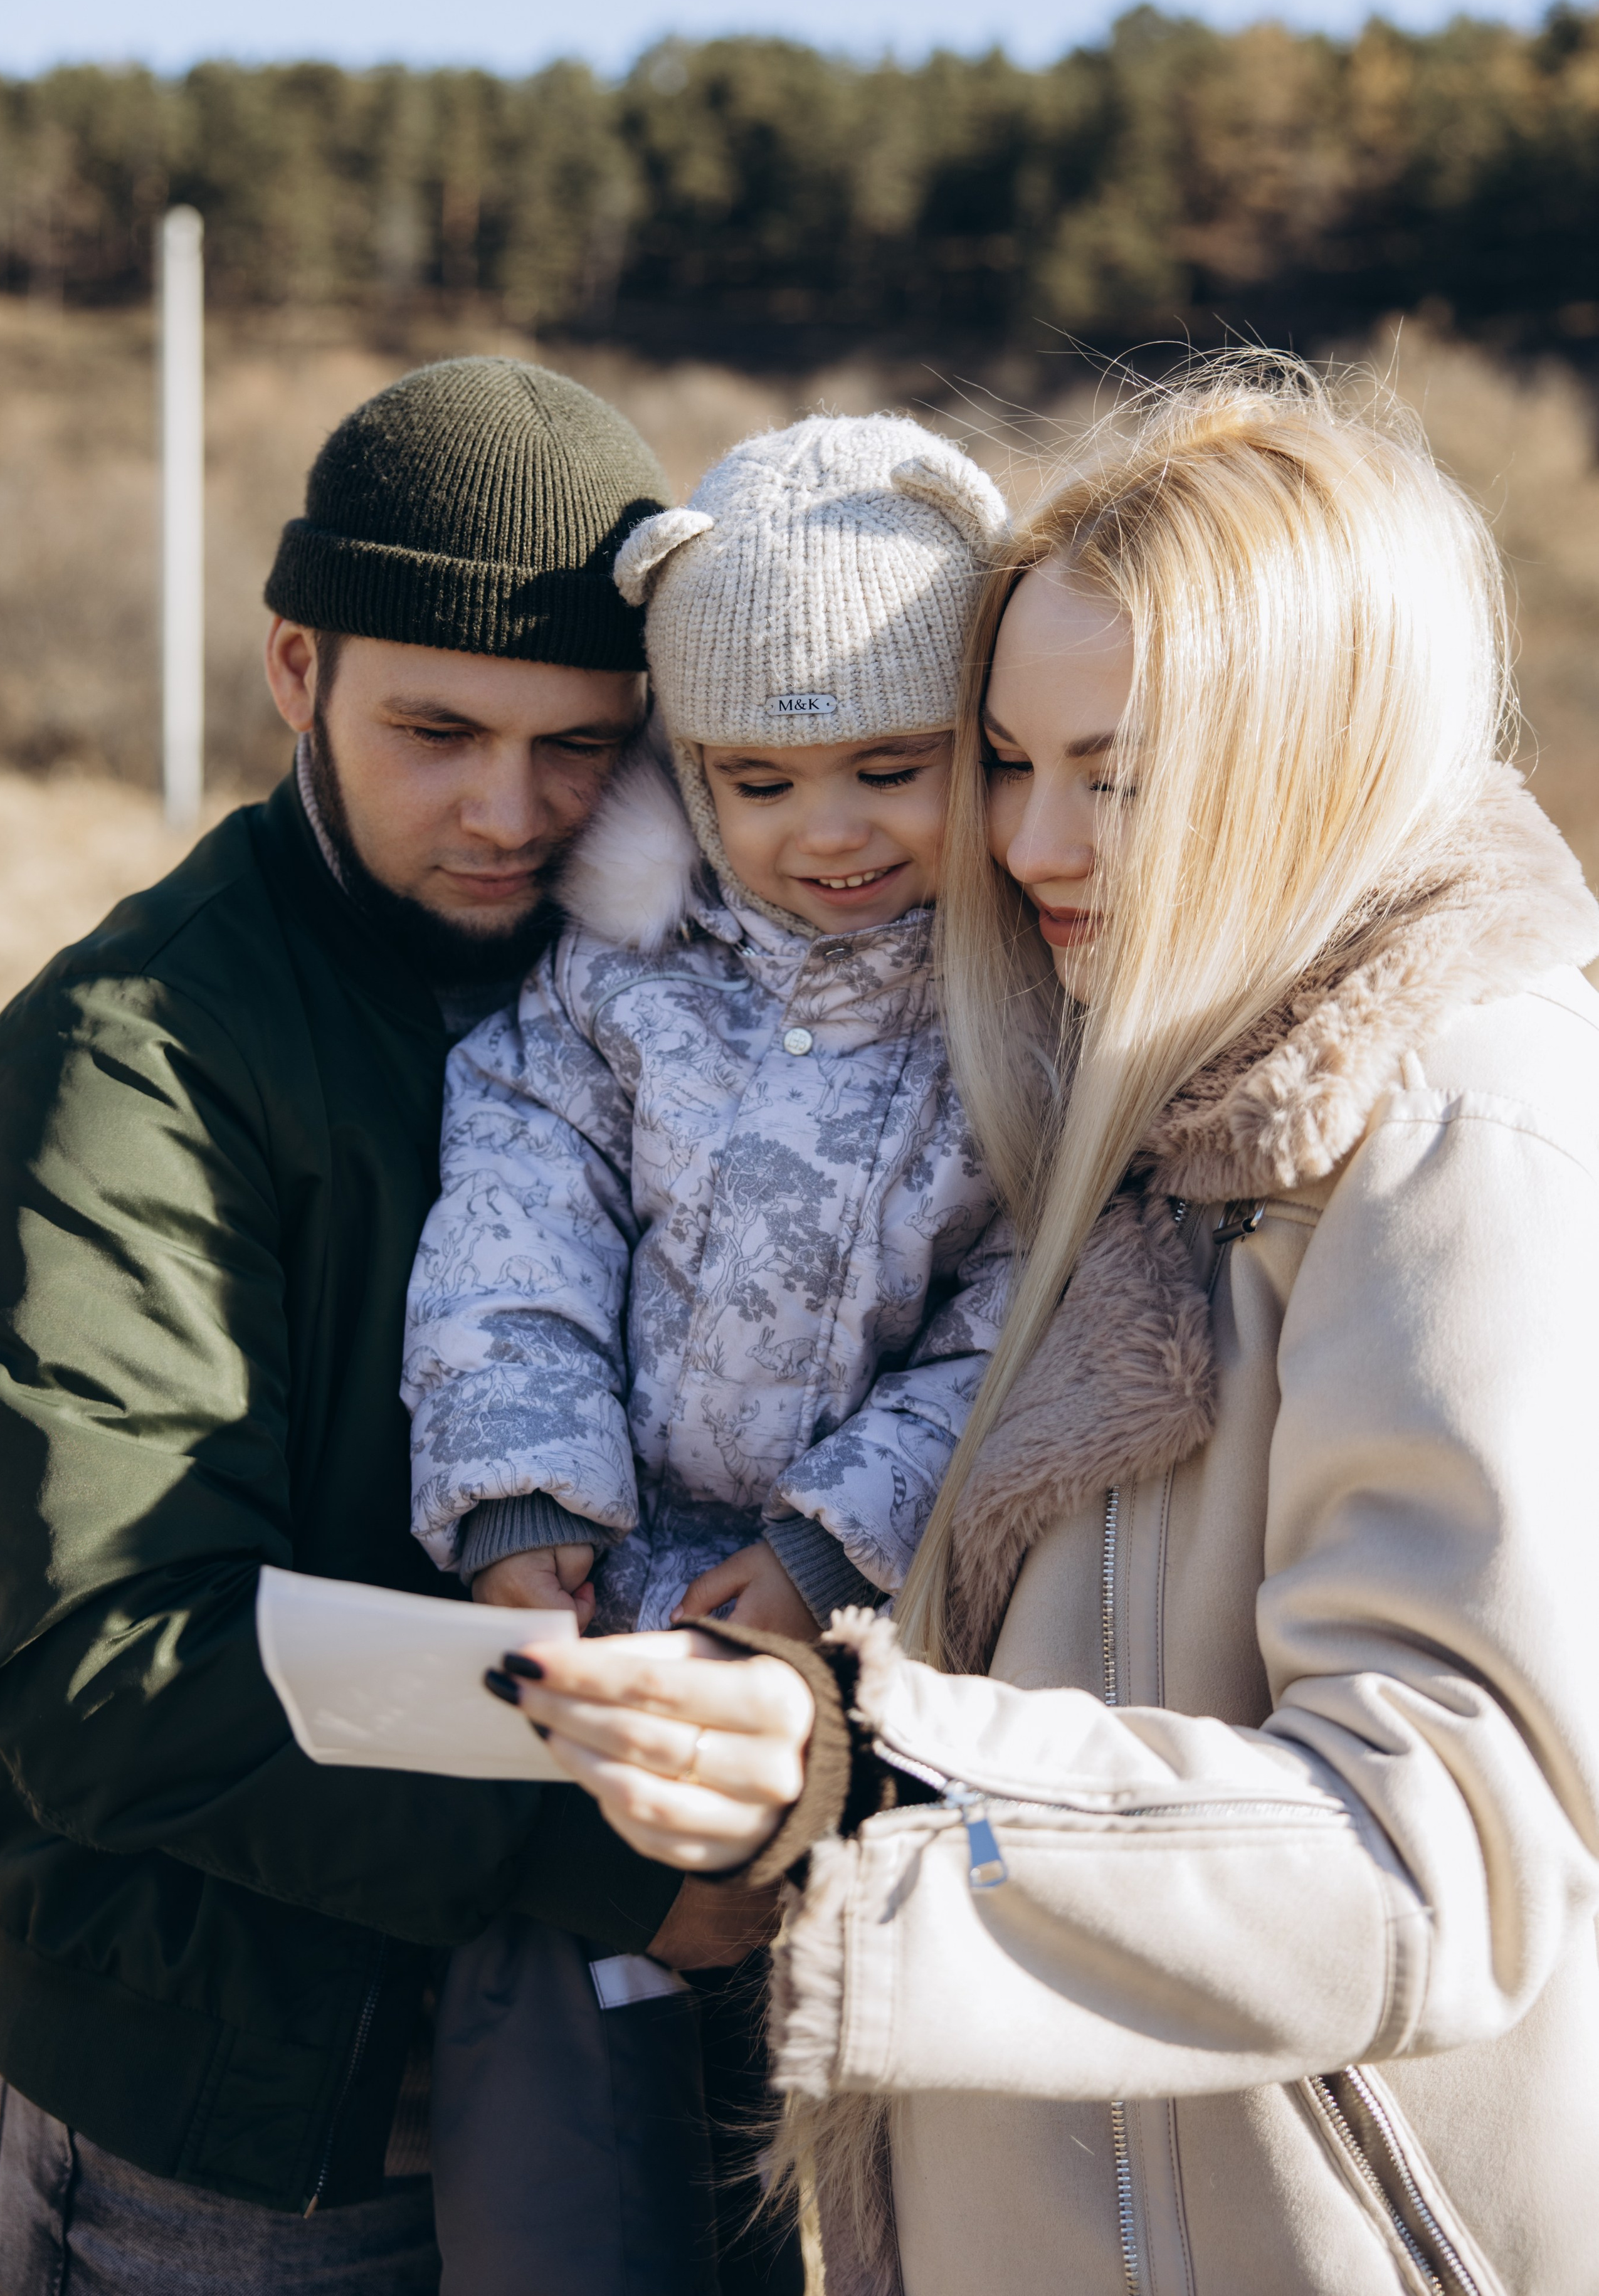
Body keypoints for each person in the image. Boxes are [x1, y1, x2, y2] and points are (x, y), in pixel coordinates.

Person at [478, 357, 1599, 2295]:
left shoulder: (1454, 1128)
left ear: (1307, 754)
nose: (1030, 844)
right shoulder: (1133, 1091)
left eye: (1120, 773)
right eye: (1008, 759)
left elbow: (1455, 1849)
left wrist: (869, 1775)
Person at [0, 356, 766, 2296]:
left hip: (657, 2083)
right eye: (437, 730)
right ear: (292, 669)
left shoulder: (674, 997)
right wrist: (608, 1858)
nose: (507, 812)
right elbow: (105, 1659)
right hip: (265, 2141)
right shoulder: (139, 1054)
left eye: (579, 743)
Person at [406, 413, 1011, 2293]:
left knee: (886, 2172)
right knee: (564, 2167)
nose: (823, 832)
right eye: (755, 782)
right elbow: (515, 1229)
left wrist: (844, 1537)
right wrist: (517, 1478)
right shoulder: (615, 987)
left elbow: (1036, 1319)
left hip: (895, 1675)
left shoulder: (1028, 1016)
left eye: (888, 772)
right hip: (620, 1642)